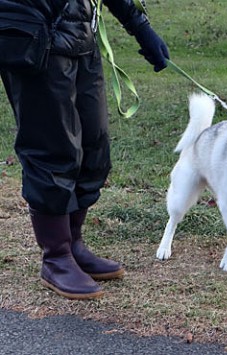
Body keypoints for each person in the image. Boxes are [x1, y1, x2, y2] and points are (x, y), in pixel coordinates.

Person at [0, 0, 169, 300]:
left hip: (80, 35)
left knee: (95, 146)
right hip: (33, 34)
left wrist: (140, 26)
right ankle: (56, 256)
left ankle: (73, 243)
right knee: (52, 150)